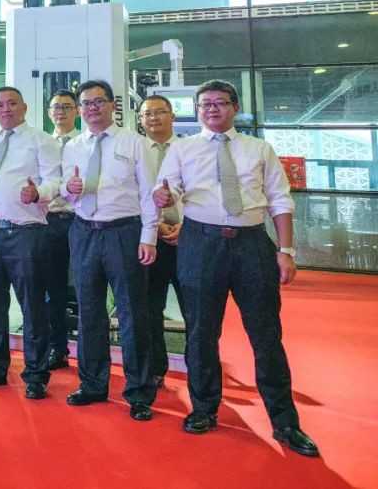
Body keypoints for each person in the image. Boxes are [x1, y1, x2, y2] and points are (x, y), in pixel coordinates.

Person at [154, 80, 319, 457]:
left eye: (220, 102)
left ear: (235, 107)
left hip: (251, 245)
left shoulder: (258, 148)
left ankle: (285, 422)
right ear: (197, 110)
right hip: (200, 243)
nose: (212, 109)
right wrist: (162, 196)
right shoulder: (182, 149)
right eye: (205, 104)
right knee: (201, 332)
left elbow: (280, 200)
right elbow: (169, 189)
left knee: (266, 334)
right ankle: (204, 409)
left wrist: (286, 250)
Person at [62, 80, 158, 421]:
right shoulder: (73, 146)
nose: (92, 108)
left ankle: (139, 392)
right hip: (84, 232)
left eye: (98, 102)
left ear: (112, 105)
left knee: (132, 313)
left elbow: (149, 194)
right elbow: (65, 192)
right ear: (80, 109)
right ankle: (92, 384)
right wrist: (69, 188)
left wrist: (149, 236)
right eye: (86, 103)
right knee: (89, 311)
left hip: (124, 232)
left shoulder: (135, 143)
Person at [0, 87, 61, 397]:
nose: (5, 109)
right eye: (0, 105)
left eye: (12, 104)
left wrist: (38, 193)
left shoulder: (41, 140)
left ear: (24, 107)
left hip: (26, 232)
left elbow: (55, 180)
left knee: (32, 305)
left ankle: (35, 374)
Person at [139, 94, 182, 387]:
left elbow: (202, 192)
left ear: (172, 116)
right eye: (147, 114)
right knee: (150, 307)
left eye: (160, 112)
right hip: (150, 239)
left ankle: (199, 366)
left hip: (188, 238)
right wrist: (156, 226)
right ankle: (156, 368)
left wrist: (185, 225)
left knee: (196, 307)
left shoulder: (190, 149)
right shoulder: (135, 151)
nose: (154, 118)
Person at [45, 89, 80, 369]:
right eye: (56, 107)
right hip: (50, 222)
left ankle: (91, 351)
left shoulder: (86, 143)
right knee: (52, 289)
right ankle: (57, 348)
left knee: (87, 287)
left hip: (81, 222)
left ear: (77, 111)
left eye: (67, 107)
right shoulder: (41, 143)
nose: (61, 112)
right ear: (49, 113)